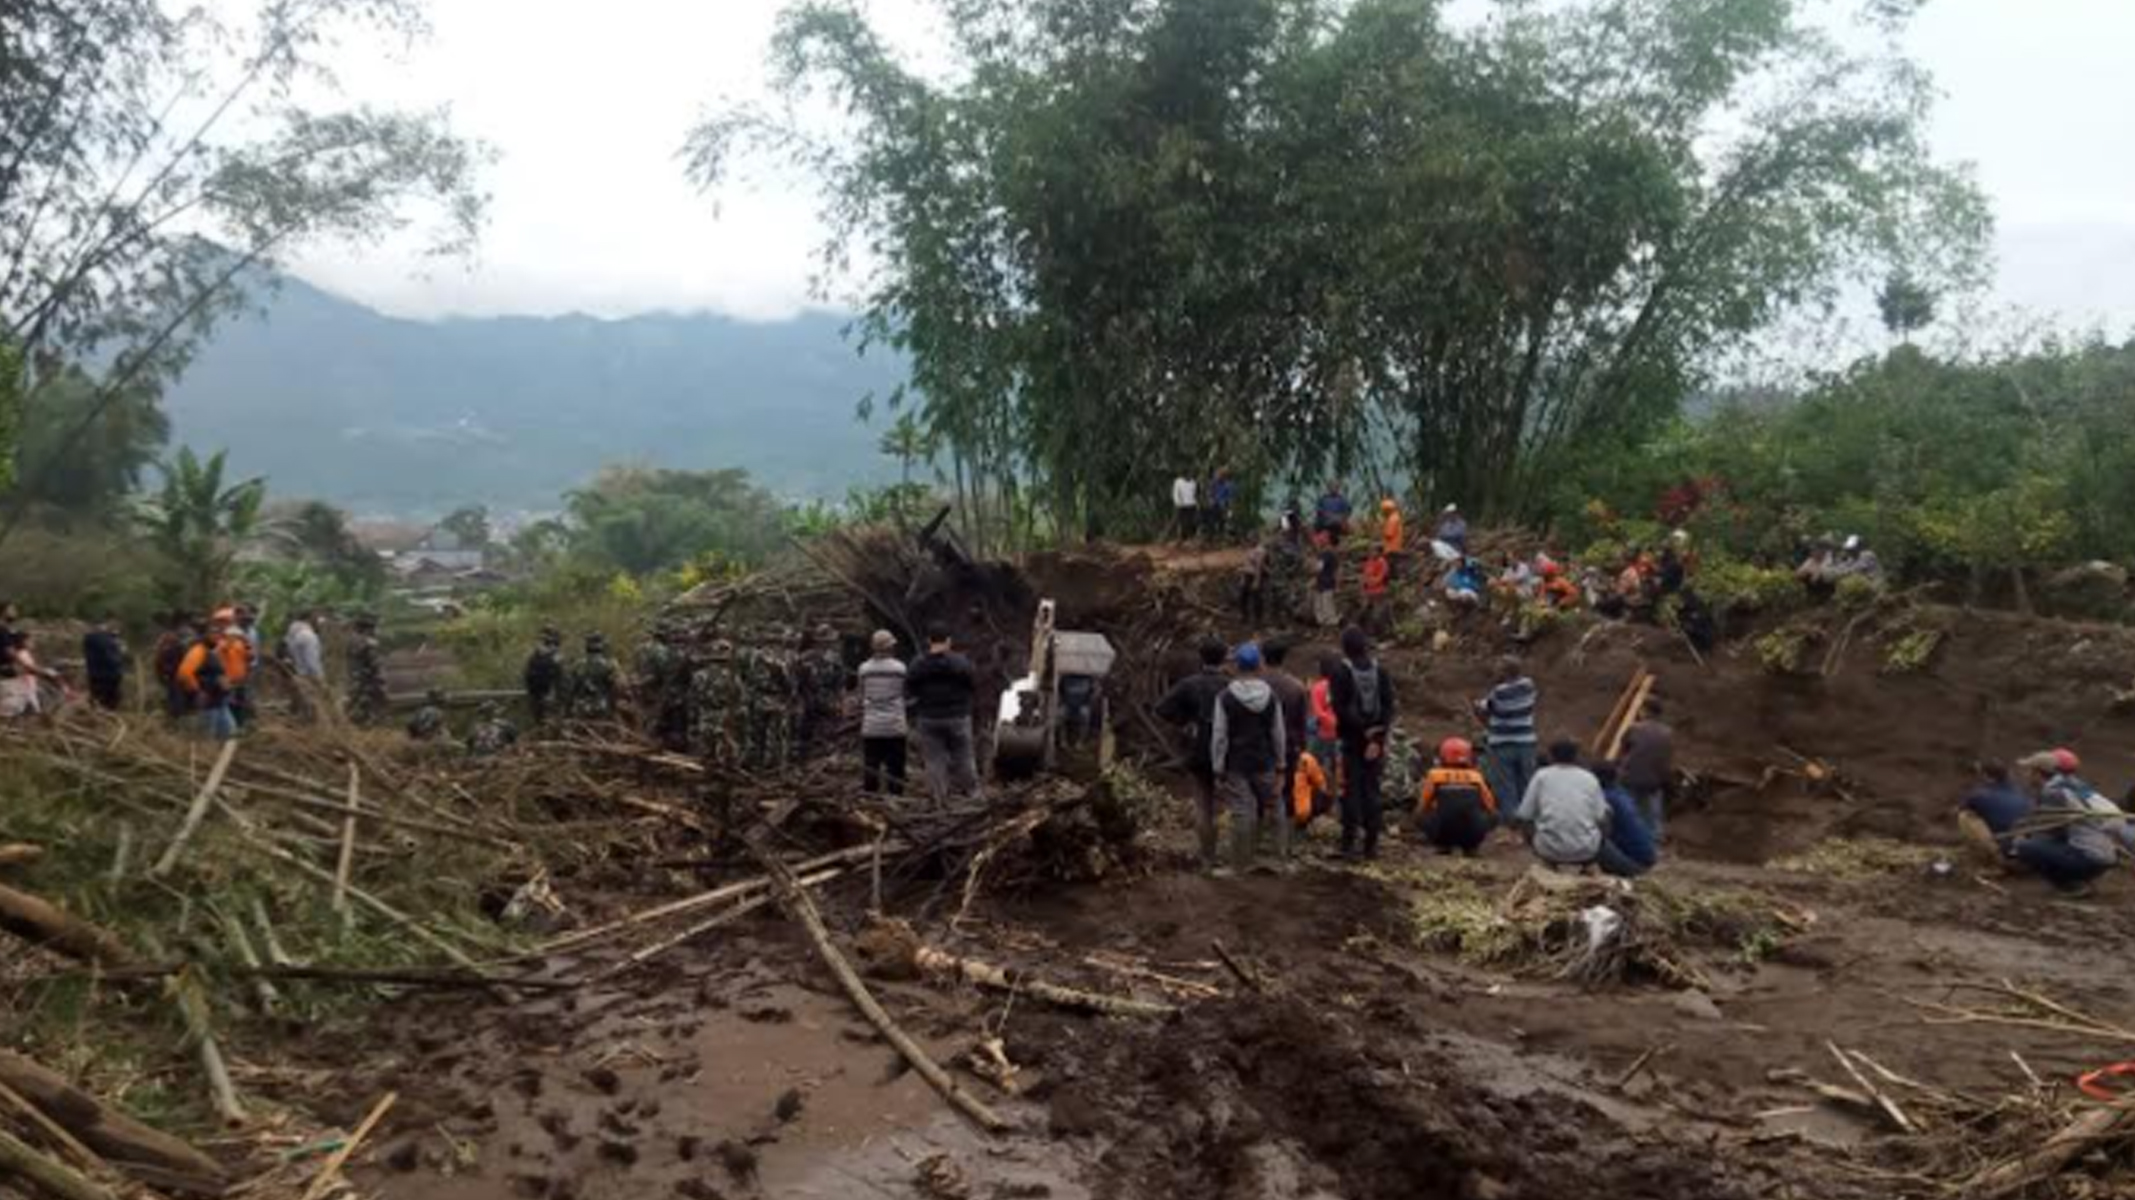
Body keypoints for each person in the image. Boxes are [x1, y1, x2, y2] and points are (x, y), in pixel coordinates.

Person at [1209, 642, 1288, 874]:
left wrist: (1217, 766)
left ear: (1236, 666)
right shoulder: (1271, 696)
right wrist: (1281, 763)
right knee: (1275, 806)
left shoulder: (1225, 697)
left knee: (1241, 811)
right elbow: (1278, 733)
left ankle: (1240, 864)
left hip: (1236, 761)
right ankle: (1279, 860)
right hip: (1264, 759)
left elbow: (1219, 736)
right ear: (1259, 665)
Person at [1156, 637, 1233, 868]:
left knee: (1203, 802)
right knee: (1232, 801)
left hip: (1198, 748)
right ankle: (1230, 852)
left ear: (1201, 658)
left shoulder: (1190, 684)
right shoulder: (1231, 686)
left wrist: (1185, 722)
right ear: (1224, 659)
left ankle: (1206, 855)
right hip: (1228, 751)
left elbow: (1162, 708)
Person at [1330, 627, 1396, 861]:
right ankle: (1371, 845)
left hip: (1352, 739)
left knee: (1351, 790)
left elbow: (1340, 708)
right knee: (1372, 791)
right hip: (1375, 742)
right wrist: (1377, 737)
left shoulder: (1340, 672)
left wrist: (1363, 732)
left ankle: (1348, 844)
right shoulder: (1381, 671)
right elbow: (1389, 706)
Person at [2011, 750, 2118, 893]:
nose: (2025, 775)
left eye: (2028, 771)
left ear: (2038, 773)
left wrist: (2021, 839)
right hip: (2104, 855)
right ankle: (2080, 880)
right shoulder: (2073, 785)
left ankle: (2071, 886)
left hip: (2089, 857)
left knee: (2025, 847)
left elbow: (2052, 830)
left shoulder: (2054, 793)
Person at [907, 625, 980, 802]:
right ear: (948, 640)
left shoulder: (918, 663)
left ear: (929, 641)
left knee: (934, 760)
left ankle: (938, 797)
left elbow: (910, 687)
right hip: (958, 716)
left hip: (929, 717)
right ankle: (972, 795)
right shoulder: (960, 662)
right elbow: (972, 684)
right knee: (964, 757)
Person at [1516, 740, 1609, 870]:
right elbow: (1602, 817)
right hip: (1587, 850)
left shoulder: (1541, 776)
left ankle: (1548, 863)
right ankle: (1588, 863)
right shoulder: (1589, 778)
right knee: (1607, 814)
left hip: (1548, 849)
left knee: (1528, 821)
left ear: (1551, 756)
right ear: (1577, 756)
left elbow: (1524, 815)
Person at [1476, 657, 1539, 822]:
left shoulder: (1498, 692)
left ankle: (1511, 820)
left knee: (1505, 783)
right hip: (1526, 741)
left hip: (1501, 743)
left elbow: (1486, 709)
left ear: (1504, 672)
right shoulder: (1528, 685)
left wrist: (1480, 708)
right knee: (1527, 779)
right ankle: (1529, 817)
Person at [1416, 737, 1498, 857]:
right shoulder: (1476, 777)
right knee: (1494, 816)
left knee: (1421, 815)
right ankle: (1471, 847)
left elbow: (1423, 805)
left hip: (1443, 831)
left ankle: (1443, 845)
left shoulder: (1435, 776)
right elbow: (1490, 806)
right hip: (1472, 832)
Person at [1262, 640, 1310, 832]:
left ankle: (1260, 832)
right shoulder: (1296, 687)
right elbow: (1302, 723)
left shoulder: (1257, 686)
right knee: (1288, 791)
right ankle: (1285, 837)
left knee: (1259, 792)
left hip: (1260, 746)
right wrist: (1303, 749)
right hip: (1290, 745)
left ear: (1263, 658)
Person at [858, 630, 909, 796]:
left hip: (871, 725)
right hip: (895, 725)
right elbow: (904, 692)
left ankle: (870, 798)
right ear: (891, 647)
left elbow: (861, 693)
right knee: (896, 766)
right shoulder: (900, 668)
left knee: (871, 765)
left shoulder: (864, 669)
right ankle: (896, 798)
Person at [1617, 698, 1674, 840]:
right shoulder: (1668, 732)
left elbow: (1623, 750)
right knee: (1653, 812)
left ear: (1645, 711)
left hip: (1630, 777)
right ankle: (1655, 837)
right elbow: (1666, 759)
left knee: (1627, 808)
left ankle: (1627, 836)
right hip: (1655, 780)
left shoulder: (1634, 728)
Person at [1957, 760, 2030, 865]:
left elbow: (1961, 809)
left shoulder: (1979, 796)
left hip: (2004, 855)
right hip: (2025, 855)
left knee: (1965, 816)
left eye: (1981, 774)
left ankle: (1993, 859)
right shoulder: (2021, 794)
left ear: (1987, 776)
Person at [1593, 762, 1658, 878]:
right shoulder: (1621, 794)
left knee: (1590, 840)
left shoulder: (1605, 799)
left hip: (1635, 864)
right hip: (1647, 857)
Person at [795, 624, 846, 759]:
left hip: (825, 697)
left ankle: (827, 756)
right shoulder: (805, 658)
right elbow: (797, 681)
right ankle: (807, 756)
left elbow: (840, 681)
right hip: (811, 697)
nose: (828, 643)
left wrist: (840, 700)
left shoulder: (834, 658)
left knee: (829, 729)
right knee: (807, 730)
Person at [177, 625, 236, 740]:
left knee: (229, 731)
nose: (216, 637)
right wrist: (198, 691)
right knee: (208, 735)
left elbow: (216, 673)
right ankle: (206, 754)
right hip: (208, 700)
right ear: (204, 636)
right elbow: (184, 673)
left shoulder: (211, 652)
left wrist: (225, 684)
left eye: (218, 634)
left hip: (219, 699)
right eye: (212, 633)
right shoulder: (198, 651)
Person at [345, 614, 388, 726]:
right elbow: (375, 662)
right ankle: (372, 723)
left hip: (354, 675)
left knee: (355, 699)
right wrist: (381, 677)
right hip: (368, 678)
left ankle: (352, 722)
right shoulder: (368, 643)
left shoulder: (351, 640)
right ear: (368, 629)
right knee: (374, 701)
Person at [81, 615, 128, 711]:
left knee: (98, 700)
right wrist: (120, 652)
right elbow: (111, 658)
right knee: (108, 702)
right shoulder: (102, 639)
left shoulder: (91, 638)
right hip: (107, 676)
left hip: (96, 675)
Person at [569, 633, 620, 721]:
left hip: (581, 707)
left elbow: (572, 688)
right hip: (602, 706)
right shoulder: (609, 665)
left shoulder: (578, 665)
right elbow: (614, 689)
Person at [152, 613, 192, 719]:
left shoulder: (173, 638)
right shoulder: (170, 639)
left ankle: (175, 714)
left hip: (175, 671)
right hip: (173, 672)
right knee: (176, 694)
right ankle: (176, 716)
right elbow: (159, 658)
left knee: (175, 693)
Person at [1307, 656, 1341, 779]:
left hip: (1323, 733)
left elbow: (1318, 712)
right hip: (1341, 732)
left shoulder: (1317, 688)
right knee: (1337, 764)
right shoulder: (1344, 685)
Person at [523, 628, 565, 724]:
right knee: (552, 725)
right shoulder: (556, 658)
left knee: (540, 723)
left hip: (536, 697)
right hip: (550, 697)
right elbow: (560, 681)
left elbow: (527, 677)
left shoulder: (534, 656)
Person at [1291, 745, 1332, 830]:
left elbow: (1321, 785)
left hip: (1302, 813)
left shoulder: (1305, 760)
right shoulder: (1306, 759)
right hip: (1300, 812)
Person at [285, 610, 326, 683]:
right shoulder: (308, 636)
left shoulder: (292, 634)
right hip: (310, 679)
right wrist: (320, 678)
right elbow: (312, 661)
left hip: (298, 676)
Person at [1359, 547, 1391, 632]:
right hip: (1368, 591)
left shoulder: (1382, 562)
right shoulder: (1369, 562)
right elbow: (1364, 575)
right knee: (1365, 611)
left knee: (1377, 613)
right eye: (1371, 551)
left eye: (1374, 551)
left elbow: (1382, 576)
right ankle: (1366, 631)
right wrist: (1363, 586)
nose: (1372, 553)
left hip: (1379, 591)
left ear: (1379, 552)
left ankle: (1379, 632)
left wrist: (1371, 581)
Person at [1237, 542, 1270, 623]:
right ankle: (1244, 616)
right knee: (1243, 597)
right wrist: (1242, 577)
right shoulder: (1249, 550)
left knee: (1257, 598)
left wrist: (1256, 581)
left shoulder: (1260, 551)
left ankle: (1258, 620)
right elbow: (1246, 564)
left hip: (1255, 576)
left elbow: (1259, 567)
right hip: (1247, 575)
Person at [1315, 480, 1352, 544]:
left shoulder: (1342, 500)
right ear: (1328, 488)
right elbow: (1319, 512)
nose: (1334, 488)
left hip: (1338, 525)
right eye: (1332, 486)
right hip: (1326, 525)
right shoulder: (1323, 499)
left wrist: (1343, 519)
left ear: (1338, 488)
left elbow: (1347, 511)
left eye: (1336, 487)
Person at [1312, 546, 1340, 628]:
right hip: (1321, 584)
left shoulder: (1326, 556)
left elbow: (1317, 569)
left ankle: (1330, 626)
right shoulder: (1323, 556)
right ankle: (1325, 625)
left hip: (1326, 584)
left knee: (1327, 607)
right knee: (1321, 606)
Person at [1206, 468, 1235, 538]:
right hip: (1215, 504)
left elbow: (1230, 496)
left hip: (1223, 504)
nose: (1218, 477)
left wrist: (1229, 505)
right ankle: (1211, 536)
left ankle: (1221, 535)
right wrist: (1211, 500)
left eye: (1220, 475)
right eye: (1218, 475)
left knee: (1223, 521)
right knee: (1212, 521)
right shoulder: (1213, 483)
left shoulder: (1227, 484)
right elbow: (1209, 493)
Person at [1171, 473, 1199, 542]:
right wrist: (1177, 502)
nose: (1189, 477)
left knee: (1192, 522)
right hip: (1182, 505)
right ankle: (1181, 537)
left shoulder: (1193, 482)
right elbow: (1175, 493)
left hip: (1191, 504)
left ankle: (1191, 537)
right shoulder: (1178, 482)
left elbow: (1194, 493)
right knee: (1182, 522)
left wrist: (1196, 502)